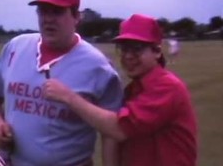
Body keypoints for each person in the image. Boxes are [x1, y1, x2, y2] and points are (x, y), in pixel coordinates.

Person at [0, 0, 123, 166]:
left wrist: (70, 98)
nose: (48, 19)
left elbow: (114, 130)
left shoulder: (98, 67)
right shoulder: (16, 47)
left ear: (76, 17)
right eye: (43, 11)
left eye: (57, 11)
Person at [43, 14, 198, 166]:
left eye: (137, 49)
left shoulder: (167, 87)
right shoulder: (133, 90)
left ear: (157, 51)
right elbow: (115, 138)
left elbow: (118, 129)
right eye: (124, 49)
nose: (128, 56)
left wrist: (69, 97)